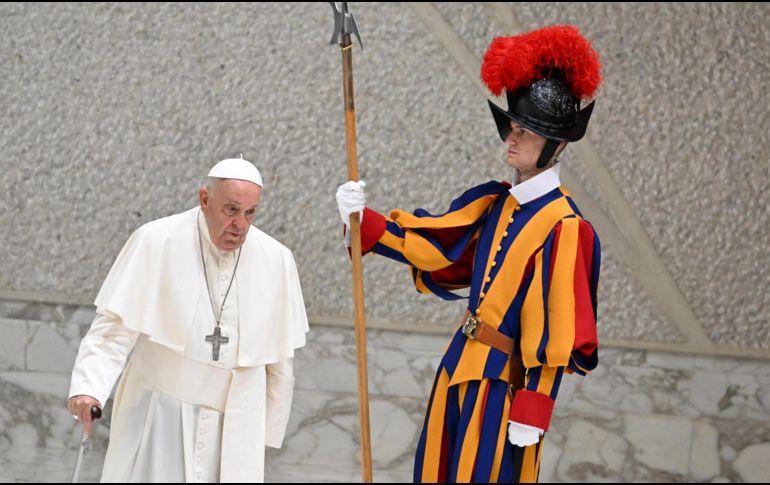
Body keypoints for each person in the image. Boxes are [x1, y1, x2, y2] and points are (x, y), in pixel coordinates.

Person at [335, 25, 602, 482]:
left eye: (526, 132)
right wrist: (363, 220)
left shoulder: (566, 227)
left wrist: (533, 410)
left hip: (505, 388)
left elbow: (557, 335)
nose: (511, 139)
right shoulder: (496, 203)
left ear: (556, 145)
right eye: (512, 127)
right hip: (459, 363)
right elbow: (439, 251)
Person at [68, 157, 309, 482]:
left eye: (250, 213)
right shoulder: (157, 240)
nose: (240, 225)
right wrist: (89, 388)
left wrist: (265, 431)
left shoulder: (276, 259)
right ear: (205, 199)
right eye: (231, 210)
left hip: (235, 426)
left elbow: (279, 359)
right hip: (160, 416)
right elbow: (113, 330)